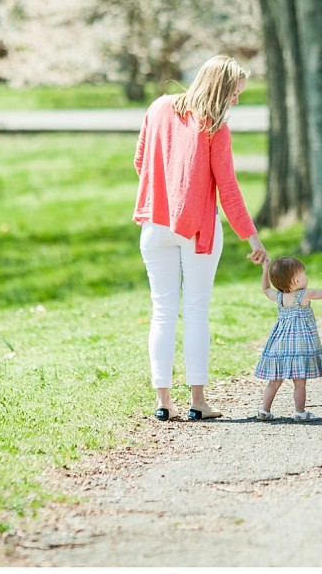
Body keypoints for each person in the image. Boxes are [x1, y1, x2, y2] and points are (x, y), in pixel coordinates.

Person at [134, 54, 267, 422]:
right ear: (221, 89)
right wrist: (252, 238)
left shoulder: (159, 108)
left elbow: (139, 160)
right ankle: (198, 401)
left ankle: (163, 401)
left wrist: (164, 189)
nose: (237, 100)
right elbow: (229, 189)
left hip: (154, 224)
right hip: (197, 231)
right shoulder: (215, 128)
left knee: (162, 311)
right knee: (195, 312)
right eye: (235, 93)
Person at [254, 256, 322, 421]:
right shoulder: (304, 295)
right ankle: (300, 412)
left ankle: (264, 411)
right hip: (300, 346)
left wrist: (265, 271)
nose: (307, 277)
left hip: (279, 345)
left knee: (274, 381)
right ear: (295, 280)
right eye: (304, 274)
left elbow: (266, 289)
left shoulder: (279, 297)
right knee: (299, 382)